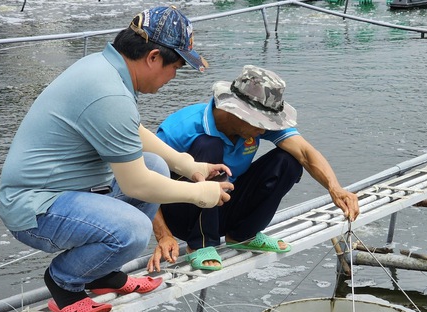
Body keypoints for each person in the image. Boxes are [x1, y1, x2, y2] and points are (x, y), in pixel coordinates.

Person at [0, 6, 233, 312]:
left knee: (155, 165)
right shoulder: (109, 93)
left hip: (68, 193)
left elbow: (131, 131)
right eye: (175, 66)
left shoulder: (104, 70)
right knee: (133, 229)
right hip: (36, 208)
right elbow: (136, 185)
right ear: (152, 57)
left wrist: (187, 166)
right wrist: (200, 194)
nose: (174, 76)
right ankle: (64, 283)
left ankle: (99, 273)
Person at [147, 65, 360, 272]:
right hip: (183, 211)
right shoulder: (183, 127)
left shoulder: (255, 128)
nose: (264, 130)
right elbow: (144, 180)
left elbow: (304, 152)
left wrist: (335, 188)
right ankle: (200, 244)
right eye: (260, 123)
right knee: (209, 145)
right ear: (237, 112)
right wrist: (164, 235)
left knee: (288, 160)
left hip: (224, 204)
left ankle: (243, 235)